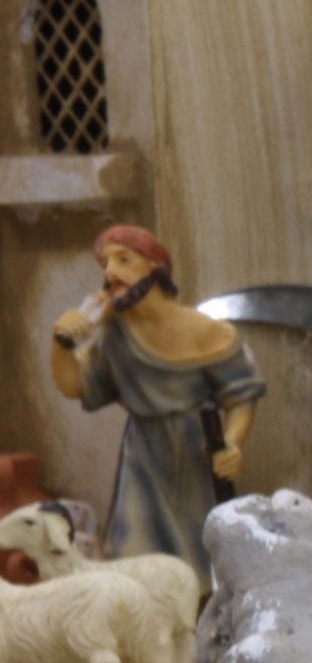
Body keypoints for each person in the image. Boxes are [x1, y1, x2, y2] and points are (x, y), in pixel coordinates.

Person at [47, 225, 264, 582]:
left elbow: (241, 396)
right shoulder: (114, 338)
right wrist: (62, 344)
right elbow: (75, 386)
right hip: (142, 462)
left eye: (123, 260)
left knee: (201, 557)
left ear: (154, 267)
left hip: (195, 454)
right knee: (135, 557)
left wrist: (232, 443)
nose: (110, 272)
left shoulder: (206, 331)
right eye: (105, 264)